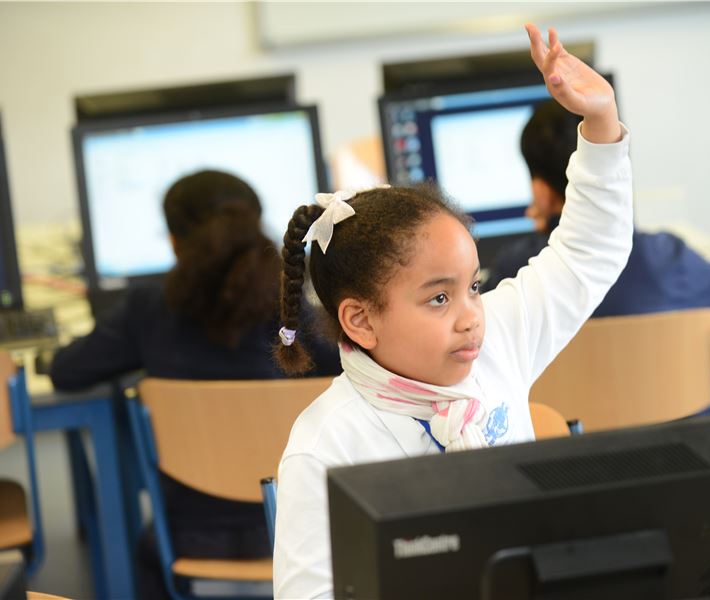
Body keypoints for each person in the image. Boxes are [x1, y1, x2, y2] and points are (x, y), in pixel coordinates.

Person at [271, 24, 632, 599]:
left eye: (473, 286)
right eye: (439, 298)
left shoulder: (496, 340)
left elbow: (590, 252)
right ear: (360, 321)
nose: (471, 316)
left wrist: (601, 124)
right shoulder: (327, 444)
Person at [49, 170, 341, 599]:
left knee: (141, 554)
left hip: (187, 536)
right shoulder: (295, 311)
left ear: (173, 240)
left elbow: (66, 371)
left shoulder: (146, 310)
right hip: (302, 529)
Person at [484, 99, 710, 328]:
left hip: (563, 411)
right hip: (676, 410)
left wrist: (544, 231)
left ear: (541, 192)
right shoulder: (666, 257)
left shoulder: (517, 271)